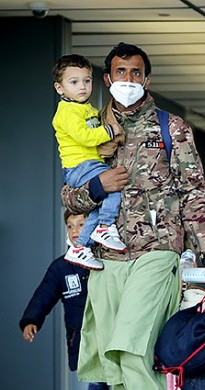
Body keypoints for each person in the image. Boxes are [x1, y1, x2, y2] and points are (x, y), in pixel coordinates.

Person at [61, 42, 205, 390]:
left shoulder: (172, 128)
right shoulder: (89, 126)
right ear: (107, 78)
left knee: (131, 343)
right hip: (107, 253)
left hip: (158, 249)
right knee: (113, 356)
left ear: (146, 80)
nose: (128, 80)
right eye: (120, 72)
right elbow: (68, 193)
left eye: (136, 72)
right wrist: (98, 188)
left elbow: (194, 196)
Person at [19, 211, 125, 390]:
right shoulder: (62, 266)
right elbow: (44, 294)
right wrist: (31, 320)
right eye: (70, 225)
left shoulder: (108, 261)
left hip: (112, 338)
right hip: (81, 340)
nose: (75, 230)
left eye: (82, 224)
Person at [52, 54, 127, 271]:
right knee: (114, 187)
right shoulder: (66, 112)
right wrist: (110, 130)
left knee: (102, 201)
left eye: (86, 81)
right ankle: (105, 226)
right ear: (60, 88)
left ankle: (80, 247)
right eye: (74, 82)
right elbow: (86, 137)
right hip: (79, 167)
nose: (82, 87)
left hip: (90, 163)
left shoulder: (87, 109)